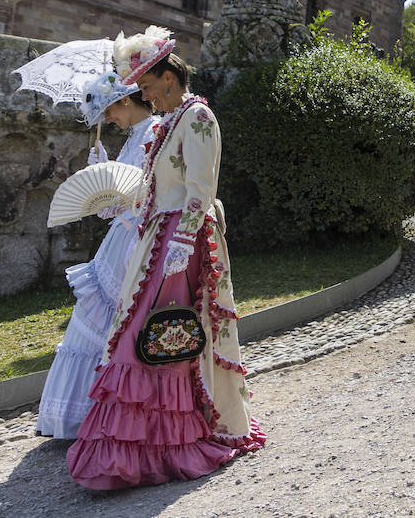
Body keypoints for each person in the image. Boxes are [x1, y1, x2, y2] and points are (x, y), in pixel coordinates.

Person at [67, 27, 263, 489]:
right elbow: (159, 188)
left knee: (163, 332)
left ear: (169, 78)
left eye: (147, 85)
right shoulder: (168, 121)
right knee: (145, 330)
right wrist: (122, 204)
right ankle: (141, 443)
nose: (143, 93)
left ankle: (169, 441)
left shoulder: (197, 118)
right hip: (160, 235)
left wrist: (181, 245)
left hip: (182, 241)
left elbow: (199, 188)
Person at [37, 71, 157, 439]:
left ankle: (112, 412)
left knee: (119, 319)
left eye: (108, 111)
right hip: (119, 240)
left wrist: (121, 195)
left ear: (125, 100)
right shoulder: (134, 137)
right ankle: (82, 413)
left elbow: (150, 194)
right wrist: (101, 169)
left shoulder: (155, 132)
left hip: (137, 242)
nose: (108, 120)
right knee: (95, 322)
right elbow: (109, 207)